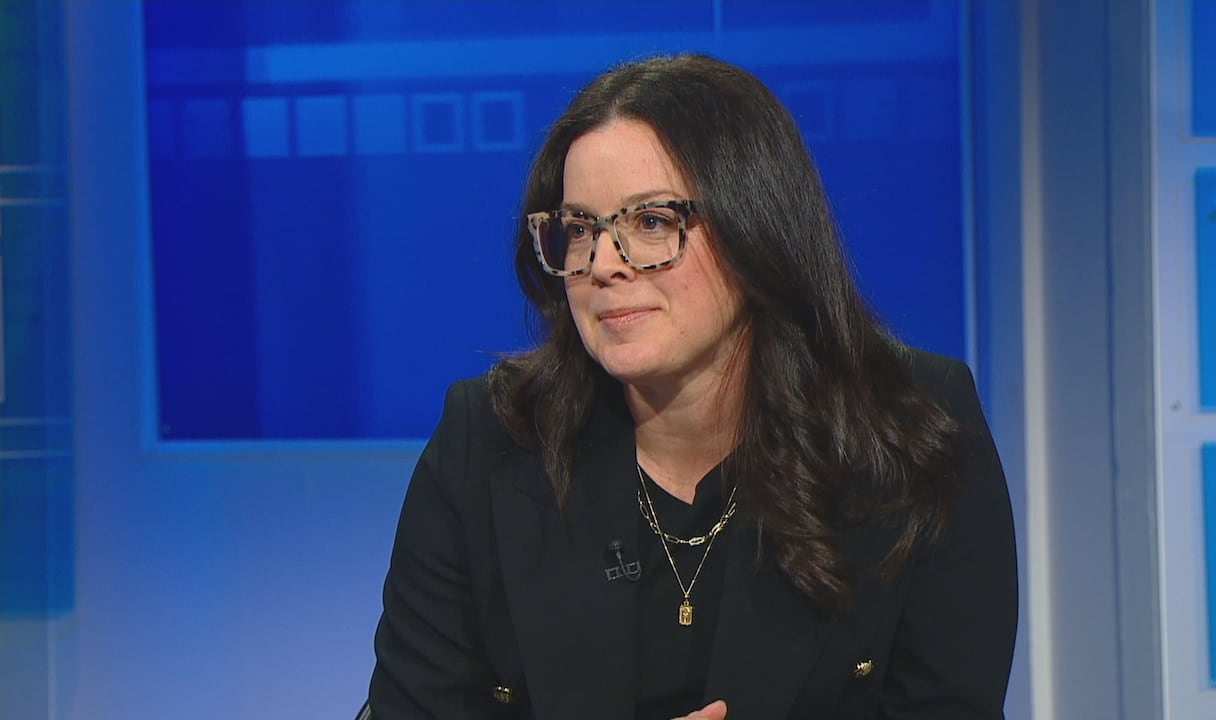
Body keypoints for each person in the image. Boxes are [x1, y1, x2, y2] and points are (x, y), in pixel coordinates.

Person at [366, 53, 1017, 720]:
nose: (605, 265)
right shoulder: (492, 441)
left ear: (755, 227)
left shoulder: (910, 429)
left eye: (651, 223)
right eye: (581, 229)